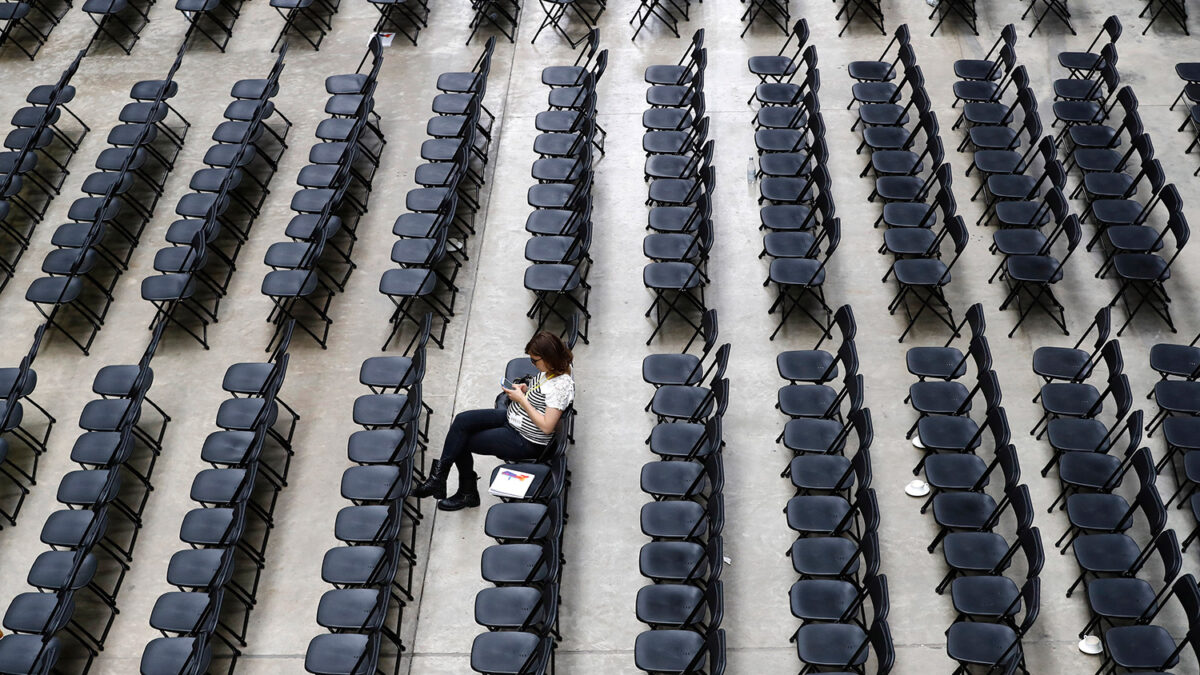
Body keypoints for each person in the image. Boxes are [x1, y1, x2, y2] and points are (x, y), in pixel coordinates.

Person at [413, 330, 575, 511]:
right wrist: (526, 389)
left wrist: (522, 399)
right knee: (462, 421)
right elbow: (543, 397)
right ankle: (439, 479)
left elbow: (547, 426)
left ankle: (466, 493)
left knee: (462, 442)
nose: (532, 364)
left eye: (535, 360)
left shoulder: (560, 386)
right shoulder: (554, 369)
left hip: (525, 439)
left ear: (549, 357)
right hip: (514, 418)